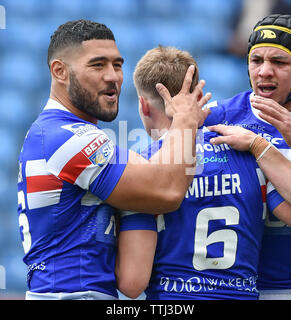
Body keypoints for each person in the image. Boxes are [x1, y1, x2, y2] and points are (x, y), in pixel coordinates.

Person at [17, 20, 211, 300]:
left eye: (117, 65)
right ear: (59, 71)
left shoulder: (57, 131)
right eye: (98, 65)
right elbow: (167, 191)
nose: (113, 77)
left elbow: (131, 283)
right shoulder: (68, 137)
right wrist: (184, 120)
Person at [115, 45, 291, 300]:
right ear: (199, 96)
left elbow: (132, 283)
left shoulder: (142, 165)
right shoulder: (248, 152)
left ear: (143, 106)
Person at [203, 13, 291, 299]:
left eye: (279, 62)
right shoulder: (219, 117)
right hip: (240, 290)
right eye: (256, 61)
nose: (264, 72)